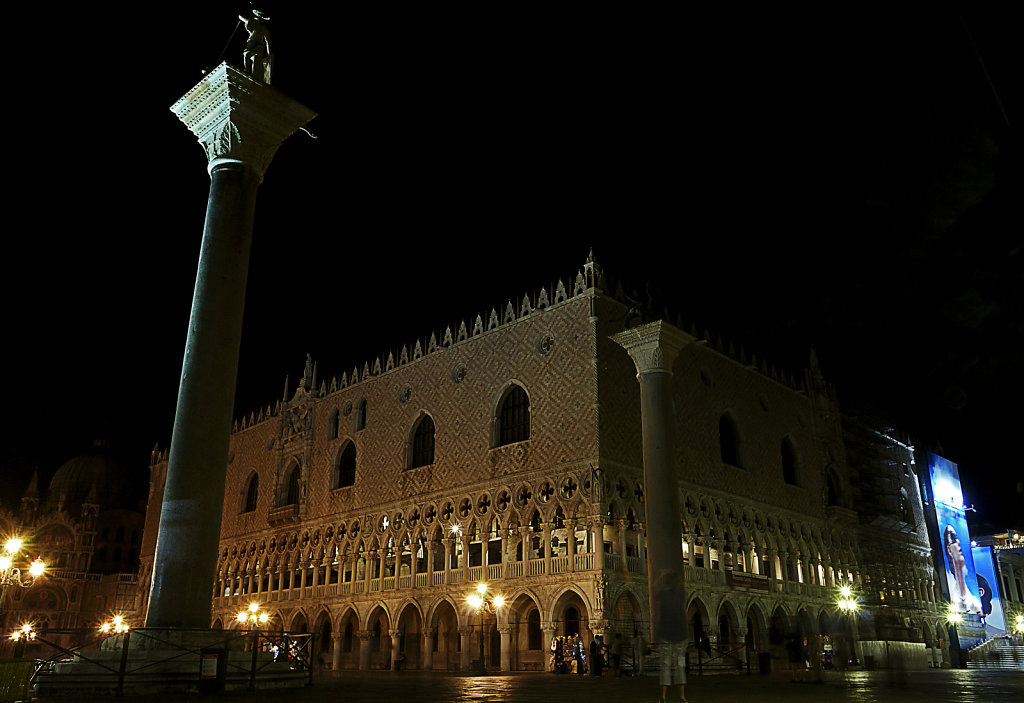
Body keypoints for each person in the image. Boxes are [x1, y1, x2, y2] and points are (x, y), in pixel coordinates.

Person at [944, 525, 983, 614]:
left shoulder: (973, 599)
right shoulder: (951, 591)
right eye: (954, 542)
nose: (959, 547)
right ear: (949, 550)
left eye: (959, 544)